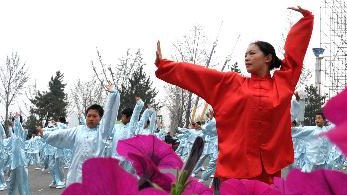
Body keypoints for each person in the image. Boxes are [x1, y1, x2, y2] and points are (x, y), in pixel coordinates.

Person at [154, 6, 313, 184]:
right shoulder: (232, 84)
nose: (247, 58)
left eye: (252, 53)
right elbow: (198, 74)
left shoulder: (282, 84)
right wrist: (164, 65)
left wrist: (306, 21)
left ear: (268, 58)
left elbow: (294, 58)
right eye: (245, 55)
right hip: (234, 167)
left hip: (268, 169)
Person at [42, 85, 119, 185]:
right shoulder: (78, 130)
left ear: (100, 118)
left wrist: (113, 95)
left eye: (95, 116)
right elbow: (61, 135)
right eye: (89, 116)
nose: (91, 118)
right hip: (76, 173)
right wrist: (45, 134)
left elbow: (109, 113)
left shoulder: (102, 132)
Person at [2, 113, 31, 195]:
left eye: (15, 122)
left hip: (20, 162)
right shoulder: (14, 136)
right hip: (14, 163)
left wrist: (17, 118)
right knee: (11, 182)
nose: (14, 124)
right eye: (14, 122)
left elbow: (18, 127)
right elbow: (9, 138)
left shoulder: (21, 133)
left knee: (21, 182)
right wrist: (10, 127)